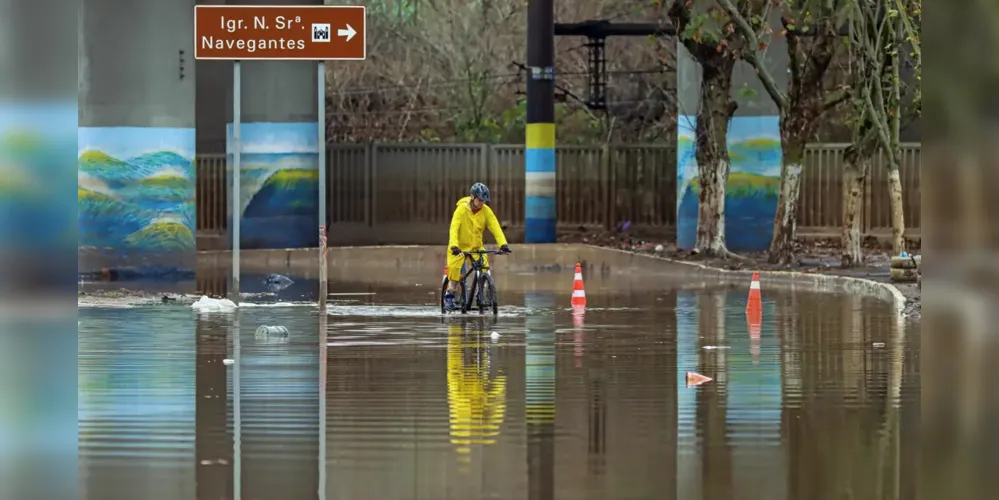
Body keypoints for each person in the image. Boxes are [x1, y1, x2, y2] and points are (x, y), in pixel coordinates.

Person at [445, 182, 511, 310]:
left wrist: (503, 244)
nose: (482, 203)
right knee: (456, 272)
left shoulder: (486, 211)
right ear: (472, 197)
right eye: (480, 200)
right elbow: (454, 228)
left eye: (484, 201)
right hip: (458, 248)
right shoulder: (461, 209)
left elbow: (495, 227)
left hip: (476, 247)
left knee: (485, 268)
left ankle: (481, 294)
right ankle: (449, 296)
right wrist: (454, 245)